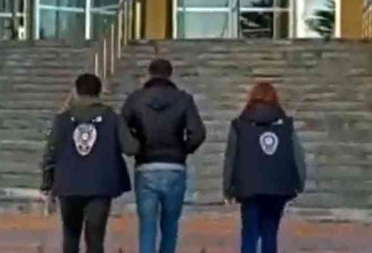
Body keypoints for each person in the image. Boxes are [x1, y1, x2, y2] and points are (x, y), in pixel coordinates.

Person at [41, 73, 139, 253]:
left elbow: (50, 154)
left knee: (70, 235)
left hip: (68, 184)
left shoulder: (62, 120)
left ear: (76, 91)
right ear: (99, 92)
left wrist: (47, 183)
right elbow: (131, 147)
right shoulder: (112, 118)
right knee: (95, 238)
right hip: (100, 185)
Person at [121, 59, 207, 253]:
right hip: (174, 166)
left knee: (147, 226)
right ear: (170, 74)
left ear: (150, 73)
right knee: (170, 226)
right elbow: (198, 133)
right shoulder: (183, 99)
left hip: (146, 165)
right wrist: (183, 149)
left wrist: (134, 146)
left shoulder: (136, 99)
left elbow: (121, 127)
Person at [223, 82, 306, 253]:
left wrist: (227, 188)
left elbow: (231, 157)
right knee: (270, 232)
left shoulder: (240, 124)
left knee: (249, 233)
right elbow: (297, 155)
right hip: (278, 186)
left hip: (248, 186)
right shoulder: (285, 125)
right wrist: (299, 183)